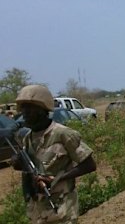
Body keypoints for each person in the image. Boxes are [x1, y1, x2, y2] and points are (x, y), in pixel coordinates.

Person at [12, 85, 96, 224]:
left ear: (42, 109)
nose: (24, 113)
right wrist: (18, 163)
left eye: (29, 108)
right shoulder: (28, 138)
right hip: (37, 211)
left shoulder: (63, 134)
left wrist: (56, 179)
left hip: (62, 209)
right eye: (23, 108)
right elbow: (31, 169)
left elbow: (89, 165)